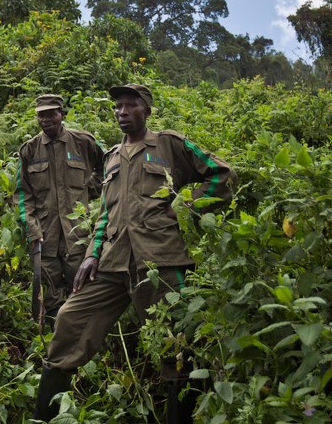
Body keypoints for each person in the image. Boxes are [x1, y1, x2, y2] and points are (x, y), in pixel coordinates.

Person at [33, 83, 237, 423]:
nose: (122, 112)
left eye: (131, 105)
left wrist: (186, 205)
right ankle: (44, 417)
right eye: (118, 106)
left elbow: (222, 174)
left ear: (147, 110)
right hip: (112, 263)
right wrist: (92, 254)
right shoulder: (112, 156)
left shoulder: (168, 144)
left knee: (176, 347)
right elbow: (105, 213)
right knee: (69, 320)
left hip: (159, 262)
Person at [16, 94, 105, 322]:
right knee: (50, 295)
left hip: (78, 233)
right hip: (45, 236)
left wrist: (89, 190)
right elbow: (22, 194)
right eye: (41, 115)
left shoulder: (83, 142)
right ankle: (54, 332)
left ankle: (82, 334)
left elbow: (107, 167)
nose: (46, 119)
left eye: (51, 114)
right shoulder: (29, 150)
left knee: (83, 291)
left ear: (61, 114)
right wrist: (32, 229)